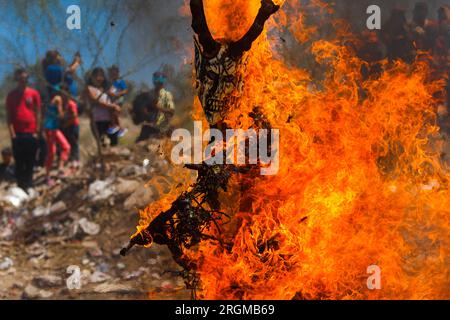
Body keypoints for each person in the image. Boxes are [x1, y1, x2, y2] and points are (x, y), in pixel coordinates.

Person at [5, 68, 41, 191]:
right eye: (20, 79)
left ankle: (29, 185)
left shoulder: (34, 93)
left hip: (31, 133)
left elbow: (38, 113)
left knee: (30, 161)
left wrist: (37, 131)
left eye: (25, 79)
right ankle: (20, 186)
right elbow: (9, 115)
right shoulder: (11, 95)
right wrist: (12, 133)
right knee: (19, 162)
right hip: (17, 134)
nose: (23, 81)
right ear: (17, 80)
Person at [135, 72, 175, 143]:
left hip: (163, 126)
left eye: (160, 82)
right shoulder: (150, 94)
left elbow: (171, 112)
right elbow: (145, 109)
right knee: (139, 143)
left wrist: (158, 107)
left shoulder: (167, 95)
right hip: (150, 125)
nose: (158, 84)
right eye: (156, 81)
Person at [86, 67, 121, 147]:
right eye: (97, 76)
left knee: (114, 143)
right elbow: (98, 102)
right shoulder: (90, 89)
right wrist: (113, 106)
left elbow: (116, 94)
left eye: (101, 76)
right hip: (98, 121)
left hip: (110, 121)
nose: (99, 78)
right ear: (92, 77)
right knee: (103, 144)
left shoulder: (106, 88)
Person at [43, 86, 71, 185]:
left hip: (53, 128)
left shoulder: (52, 99)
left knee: (66, 147)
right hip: (50, 128)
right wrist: (66, 111)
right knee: (52, 152)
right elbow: (60, 115)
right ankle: (47, 176)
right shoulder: (58, 99)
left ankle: (60, 169)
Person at [60, 83, 80, 169]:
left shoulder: (71, 103)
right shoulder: (61, 104)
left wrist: (66, 124)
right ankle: (68, 159)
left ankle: (75, 160)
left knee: (74, 143)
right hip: (65, 126)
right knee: (66, 143)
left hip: (73, 126)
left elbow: (74, 116)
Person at [107, 65, 128, 137]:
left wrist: (117, 94)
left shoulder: (120, 81)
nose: (112, 74)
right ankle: (115, 126)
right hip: (112, 100)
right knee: (112, 113)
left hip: (119, 100)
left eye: (114, 73)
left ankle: (121, 128)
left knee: (115, 113)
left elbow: (125, 90)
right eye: (111, 73)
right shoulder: (111, 82)